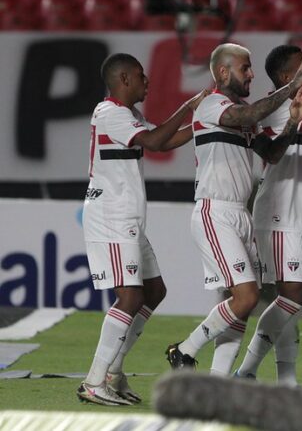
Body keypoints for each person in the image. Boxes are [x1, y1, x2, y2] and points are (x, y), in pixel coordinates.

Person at [165, 43, 302, 370]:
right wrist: (290, 87)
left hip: (239, 213)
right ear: (222, 72)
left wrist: (292, 122)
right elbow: (247, 114)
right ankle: (184, 351)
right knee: (245, 297)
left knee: (243, 304)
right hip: (214, 211)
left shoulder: (245, 116)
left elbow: (272, 154)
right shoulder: (211, 105)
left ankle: (217, 382)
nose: (251, 73)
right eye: (245, 68)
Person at [78, 53, 208, 405]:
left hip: (127, 218)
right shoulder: (111, 113)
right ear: (123, 79)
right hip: (111, 216)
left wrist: (204, 125)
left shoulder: (127, 115)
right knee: (130, 296)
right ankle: (94, 381)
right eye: (140, 76)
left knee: (153, 290)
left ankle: (113, 372)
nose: (146, 81)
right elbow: (153, 142)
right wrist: (190, 108)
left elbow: (161, 141)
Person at [232, 44, 302, 384]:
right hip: (280, 212)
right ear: (285, 77)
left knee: (290, 300)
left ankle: (285, 379)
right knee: (292, 298)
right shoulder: (280, 106)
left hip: (298, 214)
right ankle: (247, 370)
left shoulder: (299, 107)